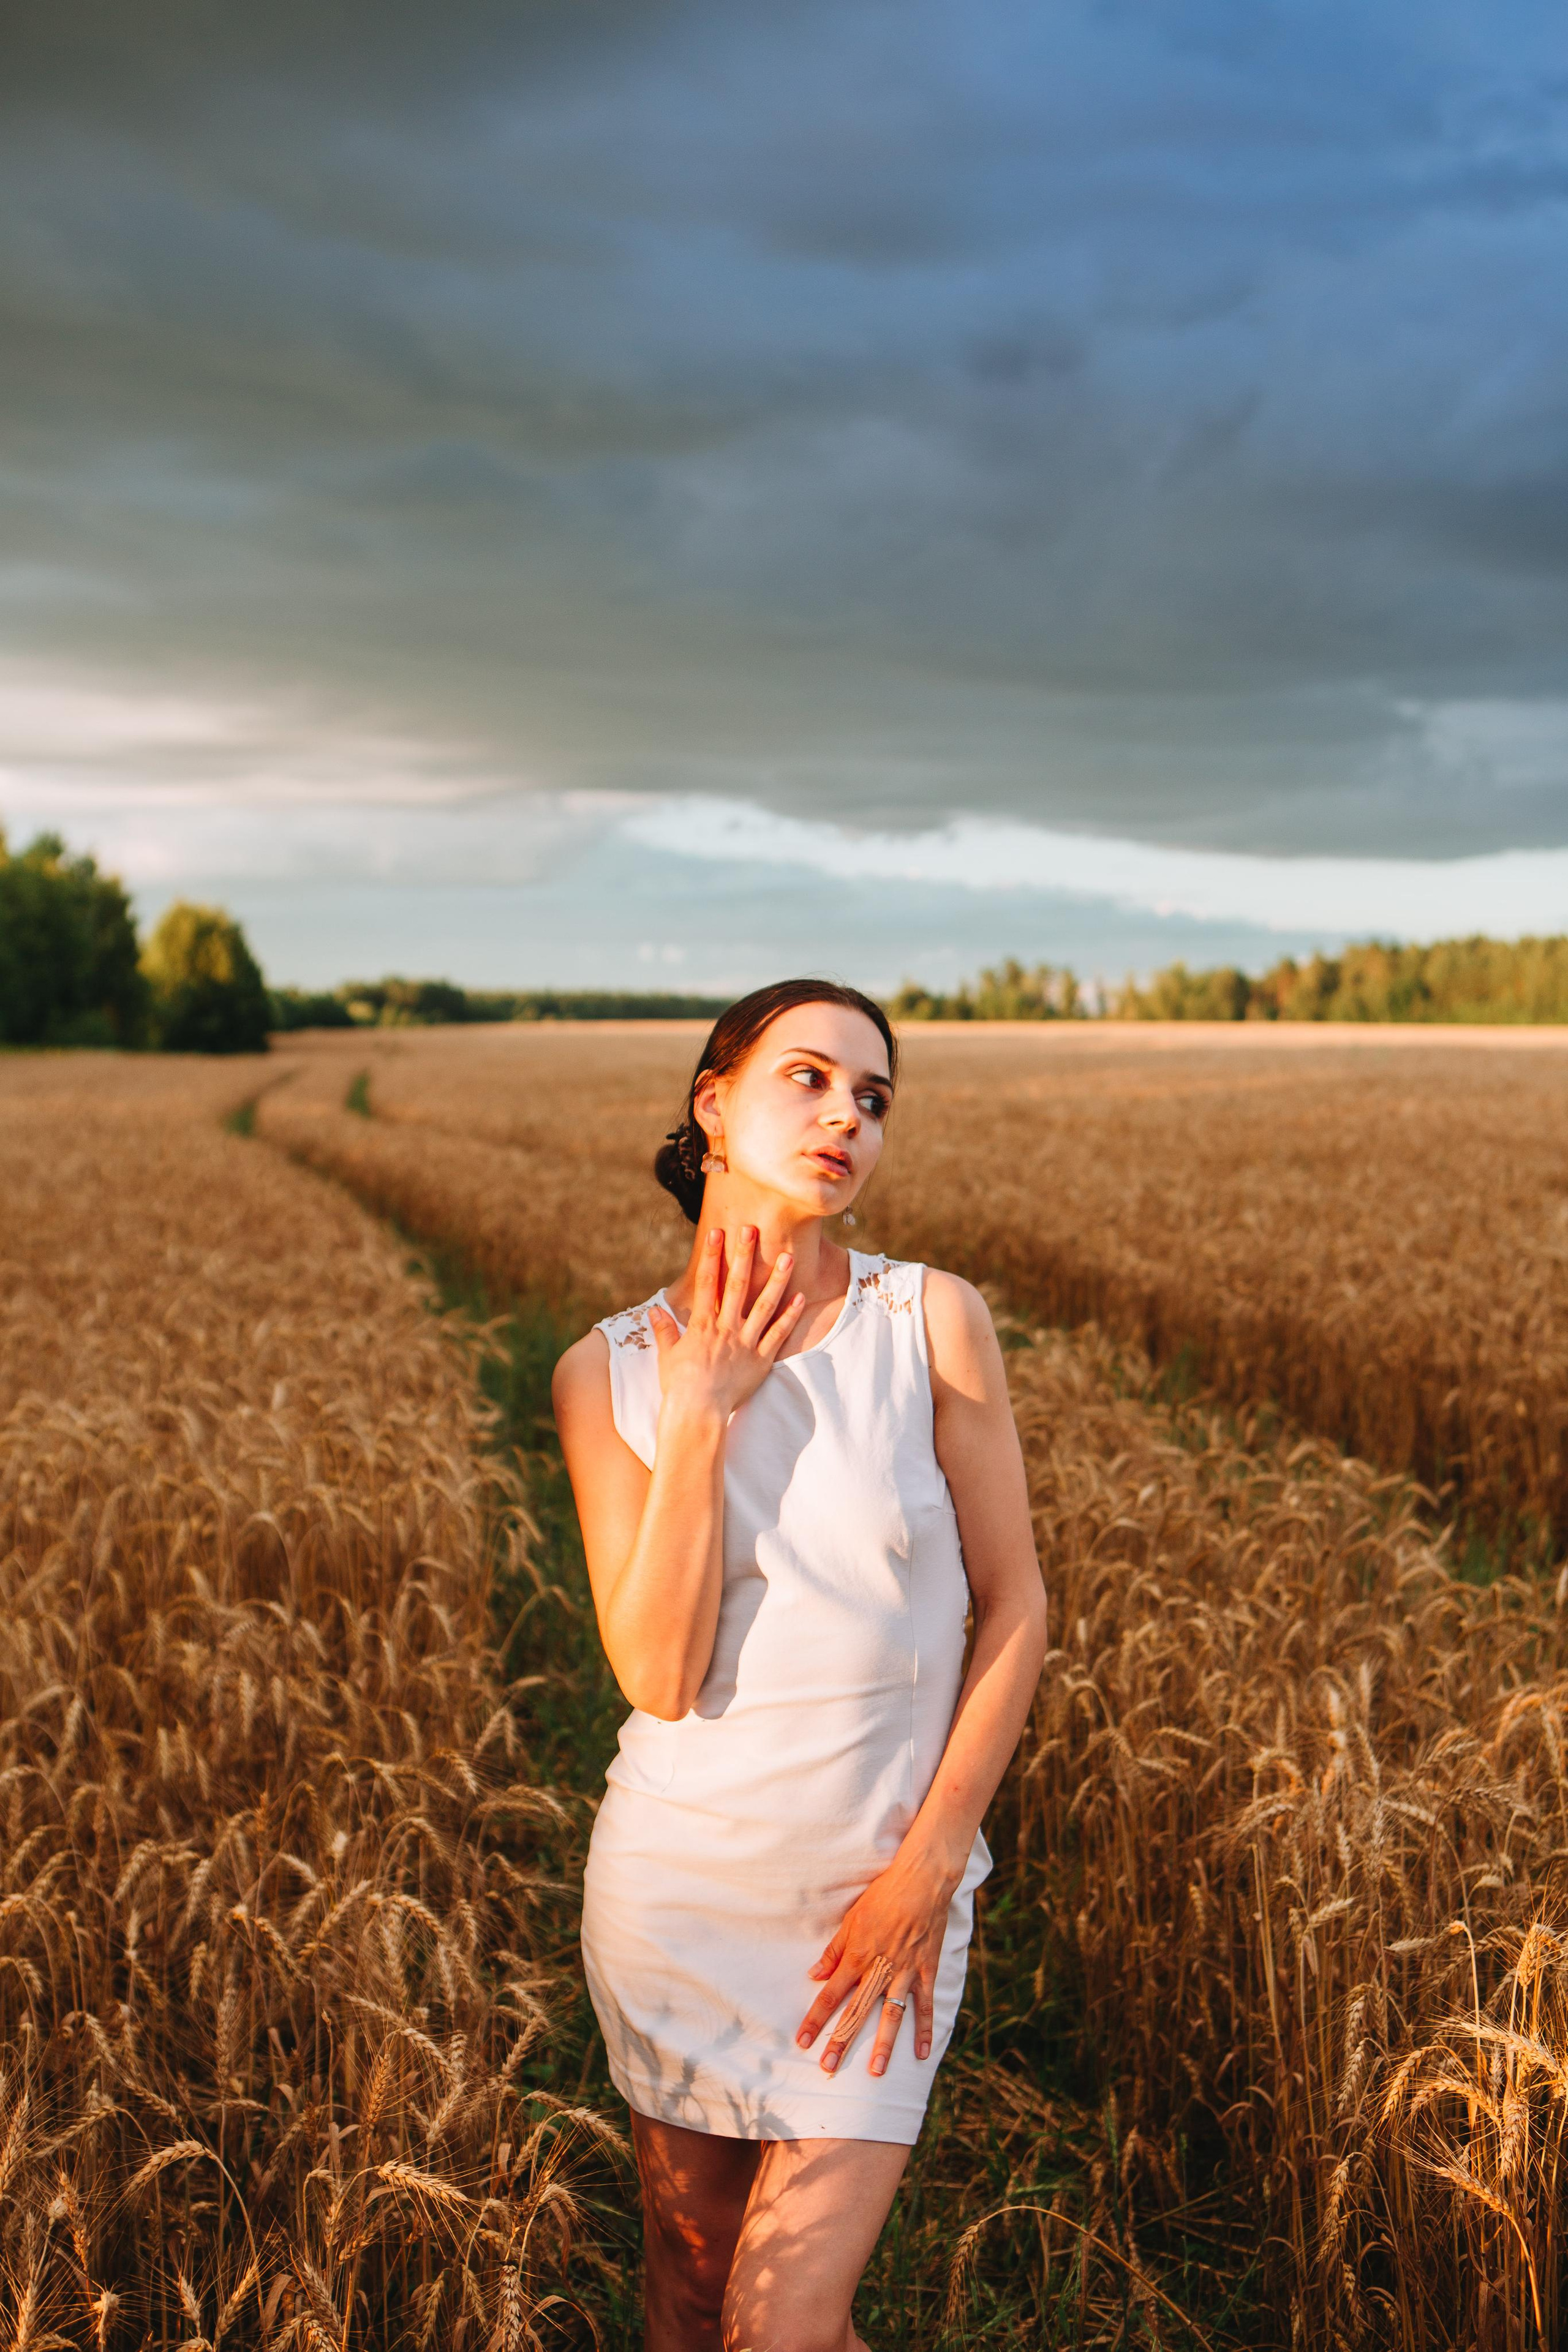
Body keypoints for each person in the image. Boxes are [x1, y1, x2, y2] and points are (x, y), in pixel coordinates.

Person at [552, 978, 1047, 2351]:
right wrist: (700, 1413)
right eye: (809, 1079)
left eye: (872, 1099)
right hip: (679, 1900)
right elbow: (657, 1674)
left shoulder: (928, 1321)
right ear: (713, 1105)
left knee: (780, 2325)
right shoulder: (605, 1373)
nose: (846, 1118)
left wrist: (929, 1871)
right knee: (691, 2297)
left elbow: (1015, 1605)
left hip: (875, 1913)